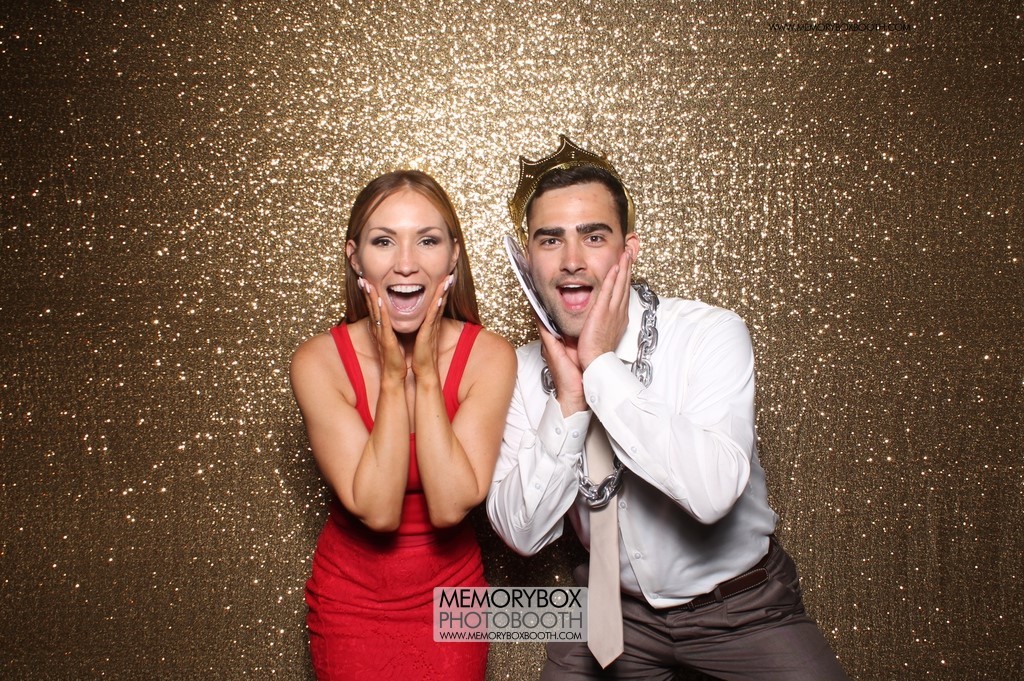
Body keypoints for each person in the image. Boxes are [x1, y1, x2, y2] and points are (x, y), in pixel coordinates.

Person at [487, 137, 850, 680]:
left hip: (743, 607)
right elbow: (521, 533)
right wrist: (569, 400)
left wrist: (600, 368)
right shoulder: (518, 370)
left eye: (593, 236)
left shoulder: (711, 334)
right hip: (608, 612)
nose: (571, 260)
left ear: (627, 251)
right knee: (477, 627)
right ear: (528, 257)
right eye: (550, 240)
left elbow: (712, 494)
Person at [292, 170, 516, 680]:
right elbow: (377, 511)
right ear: (355, 258)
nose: (406, 263)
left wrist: (428, 373)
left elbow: (451, 505)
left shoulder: (490, 357)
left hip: (453, 600)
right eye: (383, 241)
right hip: (352, 603)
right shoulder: (318, 362)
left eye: (428, 240)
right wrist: (395, 379)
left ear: (453, 255)